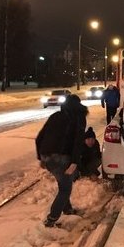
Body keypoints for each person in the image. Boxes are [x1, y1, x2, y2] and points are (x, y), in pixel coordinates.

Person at [35, 94, 88, 227]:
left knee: (63, 183)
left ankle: (67, 209)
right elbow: (77, 142)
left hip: (47, 156)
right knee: (65, 189)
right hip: (62, 158)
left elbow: (39, 137)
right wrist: (75, 162)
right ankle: (51, 219)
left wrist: (41, 157)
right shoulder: (78, 118)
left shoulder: (55, 116)